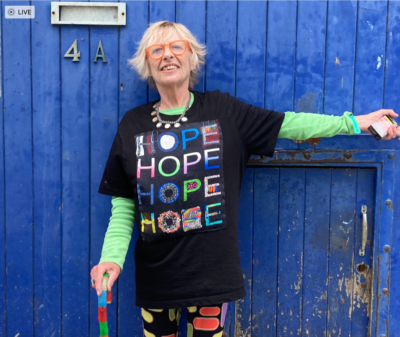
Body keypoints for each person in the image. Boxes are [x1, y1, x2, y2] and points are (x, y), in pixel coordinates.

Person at [90, 21, 399, 337]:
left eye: (176, 47)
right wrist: (111, 260)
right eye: (157, 50)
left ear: (192, 57)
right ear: (147, 64)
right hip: (158, 276)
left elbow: (291, 124)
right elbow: (126, 205)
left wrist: (356, 123)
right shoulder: (133, 124)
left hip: (212, 276)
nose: (167, 56)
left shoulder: (223, 110)